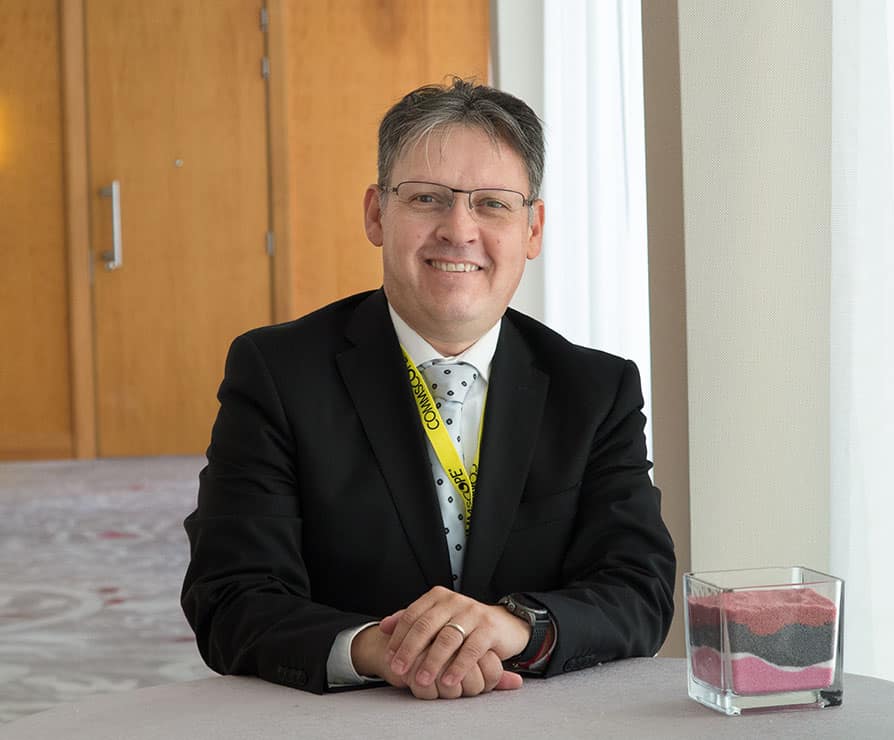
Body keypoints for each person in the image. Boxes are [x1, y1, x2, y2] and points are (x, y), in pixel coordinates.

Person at [181, 78, 675, 700]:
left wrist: (515, 627)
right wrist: (380, 649)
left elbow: (639, 588)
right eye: (426, 198)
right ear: (376, 214)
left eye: (492, 204)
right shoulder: (278, 373)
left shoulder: (596, 389)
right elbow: (230, 596)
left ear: (533, 229)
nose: (459, 229)